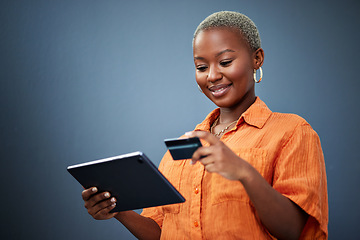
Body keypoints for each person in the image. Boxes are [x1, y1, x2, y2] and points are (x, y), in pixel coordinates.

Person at [81, 11, 328, 239]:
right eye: (201, 66)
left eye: (225, 62)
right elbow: (162, 233)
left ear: (257, 58)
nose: (211, 75)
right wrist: (118, 209)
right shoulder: (180, 150)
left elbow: (296, 231)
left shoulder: (292, 132)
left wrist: (243, 171)